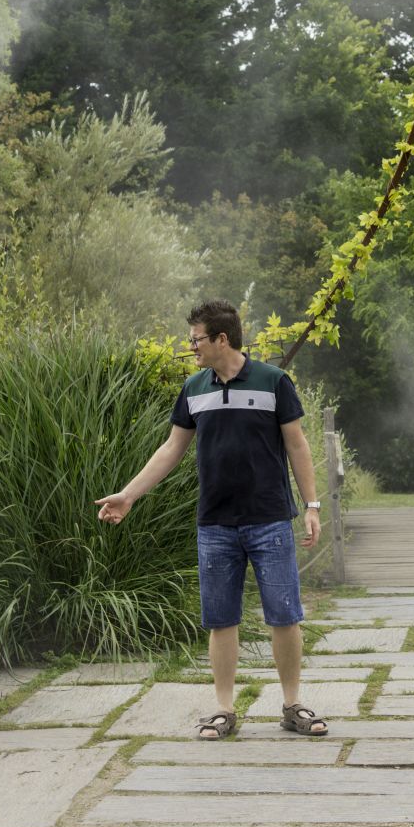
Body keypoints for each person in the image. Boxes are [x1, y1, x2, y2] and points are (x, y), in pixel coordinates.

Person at [96, 299, 327, 741]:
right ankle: (224, 711)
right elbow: (171, 449)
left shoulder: (274, 382)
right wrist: (128, 495)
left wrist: (312, 506)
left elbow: (297, 445)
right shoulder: (194, 387)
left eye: (197, 339)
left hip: (270, 519)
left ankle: (292, 705)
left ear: (222, 339)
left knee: (284, 616)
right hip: (215, 523)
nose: (191, 347)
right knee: (221, 619)